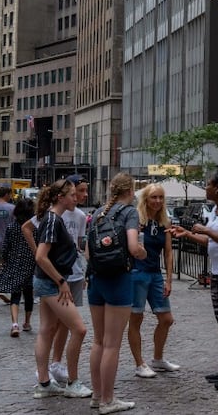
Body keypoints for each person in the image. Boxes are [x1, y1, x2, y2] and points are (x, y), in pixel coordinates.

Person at [170, 170, 218, 390]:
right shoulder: (216, 210)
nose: (206, 188)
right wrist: (188, 234)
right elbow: (210, 242)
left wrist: (206, 231)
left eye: (208, 184)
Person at [86, 173, 145, 414]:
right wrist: (142, 253)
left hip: (96, 279)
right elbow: (133, 246)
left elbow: (88, 252)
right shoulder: (129, 212)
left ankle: (97, 394)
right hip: (118, 279)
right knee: (112, 344)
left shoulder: (99, 213)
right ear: (130, 191)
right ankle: (108, 400)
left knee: (98, 341)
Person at [31, 180, 91, 400]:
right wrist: (60, 281)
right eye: (72, 195)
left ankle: (44, 382)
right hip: (51, 283)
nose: (76, 198)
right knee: (79, 329)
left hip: (47, 281)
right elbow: (40, 256)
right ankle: (73, 382)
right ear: (60, 197)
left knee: (46, 329)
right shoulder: (53, 220)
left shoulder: (52, 219)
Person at [128, 182, 179, 378]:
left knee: (166, 319)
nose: (157, 201)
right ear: (145, 199)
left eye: (160, 197)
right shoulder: (136, 219)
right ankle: (139, 363)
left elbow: (168, 253)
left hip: (156, 274)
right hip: (136, 273)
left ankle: (158, 359)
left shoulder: (164, 222)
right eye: (153, 197)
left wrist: (169, 280)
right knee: (136, 318)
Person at [0, 197, 37, 337]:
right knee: (28, 294)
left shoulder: (12, 227)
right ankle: (27, 322)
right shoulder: (34, 227)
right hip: (31, 263)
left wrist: (4, 260)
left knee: (15, 294)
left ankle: (14, 324)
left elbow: (5, 247)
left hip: (15, 262)